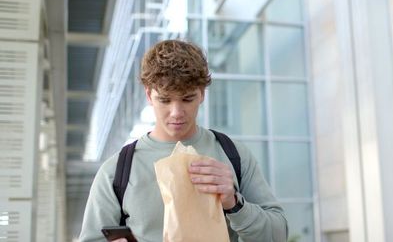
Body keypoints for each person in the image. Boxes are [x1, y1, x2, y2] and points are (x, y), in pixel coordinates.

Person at [79, 40, 288, 241]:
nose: (176, 112)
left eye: (188, 99)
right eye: (165, 100)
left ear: (202, 94)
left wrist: (234, 203)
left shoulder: (234, 155)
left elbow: (278, 235)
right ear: (149, 95)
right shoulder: (116, 171)